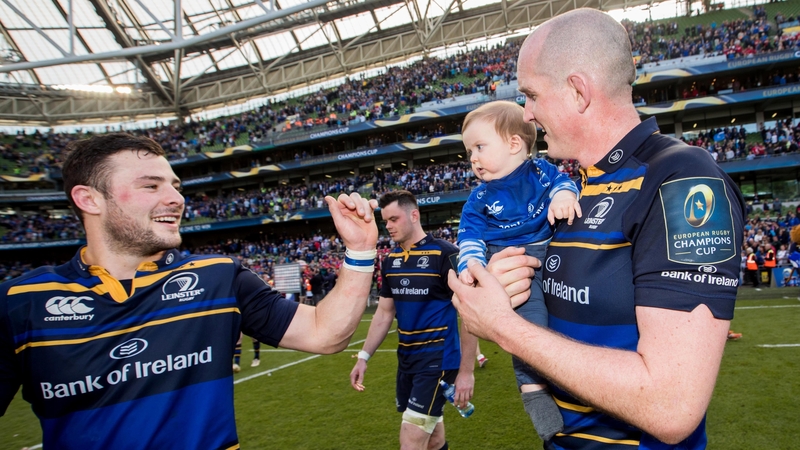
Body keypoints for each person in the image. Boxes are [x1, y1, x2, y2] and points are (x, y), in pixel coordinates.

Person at [448, 9, 745, 449]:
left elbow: (671, 406)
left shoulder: (682, 179)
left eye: (531, 95)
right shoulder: (575, 188)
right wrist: (507, 284)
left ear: (578, 91)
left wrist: (503, 328)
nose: (527, 115)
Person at [0, 133, 380, 449]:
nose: (177, 199)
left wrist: (361, 250)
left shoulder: (218, 277)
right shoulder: (21, 303)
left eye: (175, 186)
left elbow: (325, 333)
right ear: (89, 199)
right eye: (151, 185)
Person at [456, 100, 581, 441]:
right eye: (469, 152)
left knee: (567, 326)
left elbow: (565, 184)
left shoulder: (541, 171)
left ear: (514, 144)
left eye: (479, 147)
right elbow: (469, 238)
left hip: (552, 255)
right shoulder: (478, 199)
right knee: (529, 331)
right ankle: (536, 399)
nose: (473, 158)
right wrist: (472, 266)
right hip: (513, 266)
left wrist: (563, 197)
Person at [350, 190, 477, 450]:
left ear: (414, 215)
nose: (388, 226)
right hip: (407, 362)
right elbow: (384, 313)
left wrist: (466, 372)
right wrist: (363, 357)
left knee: (410, 440)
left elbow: (470, 313)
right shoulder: (390, 261)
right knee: (434, 439)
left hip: (439, 362)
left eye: (394, 219)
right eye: (385, 221)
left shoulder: (445, 255)